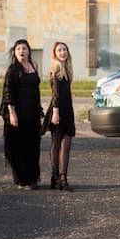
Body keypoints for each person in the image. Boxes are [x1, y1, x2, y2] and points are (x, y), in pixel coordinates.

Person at [0, 39, 42, 190]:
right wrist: (12, 113)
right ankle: (22, 180)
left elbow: (36, 90)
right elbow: (7, 92)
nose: (21, 51)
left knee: (33, 146)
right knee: (19, 146)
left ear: (29, 50)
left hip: (33, 112)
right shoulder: (13, 70)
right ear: (15, 52)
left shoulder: (34, 66)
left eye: (24, 48)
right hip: (18, 113)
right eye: (18, 49)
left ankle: (32, 177)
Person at [42, 41, 75, 191]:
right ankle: (55, 178)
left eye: (65, 50)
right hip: (58, 111)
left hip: (67, 111)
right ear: (55, 53)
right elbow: (55, 93)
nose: (63, 52)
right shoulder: (55, 70)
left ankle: (63, 178)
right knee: (56, 144)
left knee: (66, 144)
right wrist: (55, 112)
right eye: (59, 50)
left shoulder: (67, 69)